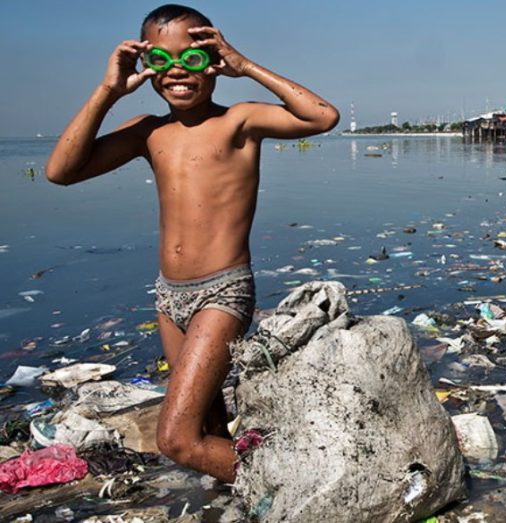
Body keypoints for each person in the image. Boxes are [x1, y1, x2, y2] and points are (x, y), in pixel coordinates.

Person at [45, 4, 339, 482]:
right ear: (145, 65)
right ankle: (244, 497)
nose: (178, 70)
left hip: (222, 293)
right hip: (169, 297)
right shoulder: (148, 131)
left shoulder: (238, 122)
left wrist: (245, 65)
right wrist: (108, 91)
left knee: (177, 439)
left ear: (213, 61)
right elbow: (62, 172)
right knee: (207, 420)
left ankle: (300, 485)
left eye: (193, 58)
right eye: (161, 60)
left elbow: (322, 116)